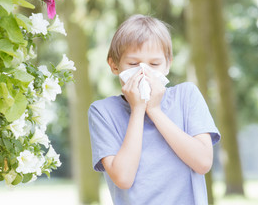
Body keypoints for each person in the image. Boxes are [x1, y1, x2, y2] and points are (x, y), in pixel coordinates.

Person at [88, 14, 221, 205]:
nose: (144, 71)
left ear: (168, 64)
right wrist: (138, 110)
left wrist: (155, 111)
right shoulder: (102, 111)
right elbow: (123, 179)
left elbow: (203, 162)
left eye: (154, 64)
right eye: (133, 64)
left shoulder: (187, 95)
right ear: (114, 65)